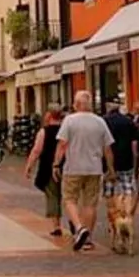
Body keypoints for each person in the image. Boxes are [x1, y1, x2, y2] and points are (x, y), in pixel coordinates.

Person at [54, 90, 113, 252]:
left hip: (73, 167)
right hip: (94, 168)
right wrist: (111, 169)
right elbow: (107, 148)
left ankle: (80, 228)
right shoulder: (100, 122)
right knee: (90, 204)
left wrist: (56, 164)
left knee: (69, 199)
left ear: (76, 104)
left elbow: (62, 144)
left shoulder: (69, 121)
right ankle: (88, 239)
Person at [102, 100, 139, 254]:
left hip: (109, 165)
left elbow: (103, 145)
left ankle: (115, 227)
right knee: (127, 194)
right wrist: (135, 161)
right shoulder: (128, 122)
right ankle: (127, 220)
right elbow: (134, 145)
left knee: (110, 197)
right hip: (127, 164)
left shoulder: (103, 122)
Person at [23, 108, 67, 238]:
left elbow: (36, 150)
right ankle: (75, 223)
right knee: (70, 197)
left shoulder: (44, 132)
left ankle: (57, 226)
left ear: (49, 116)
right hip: (67, 166)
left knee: (53, 196)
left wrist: (29, 166)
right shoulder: (66, 130)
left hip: (49, 167)